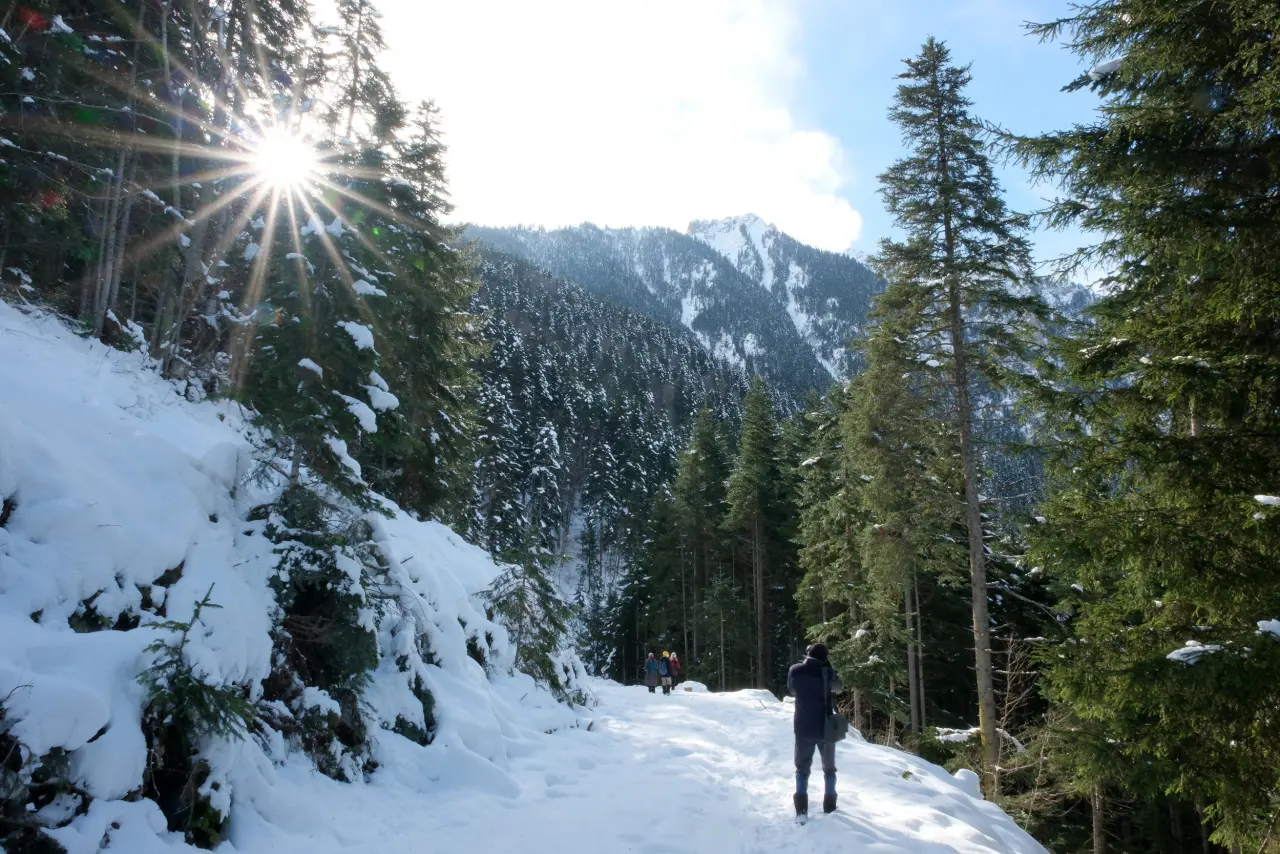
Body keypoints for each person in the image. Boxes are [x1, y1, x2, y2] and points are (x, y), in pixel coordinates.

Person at [787, 642, 842, 820]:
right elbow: (839, 687)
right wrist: (829, 668)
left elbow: (792, 690)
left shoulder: (795, 670)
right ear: (824, 658)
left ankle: (801, 810)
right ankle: (830, 806)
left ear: (808, 653)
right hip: (826, 728)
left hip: (803, 727)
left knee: (802, 768)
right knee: (829, 769)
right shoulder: (827, 672)